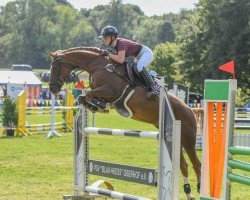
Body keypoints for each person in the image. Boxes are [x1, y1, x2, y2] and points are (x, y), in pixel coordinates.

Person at [98, 25, 157, 97]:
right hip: (138, 57)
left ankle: (153, 88)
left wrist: (108, 54)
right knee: (133, 69)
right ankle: (145, 81)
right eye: (104, 38)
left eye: (106, 38)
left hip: (146, 53)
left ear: (113, 37)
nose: (104, 40)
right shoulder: (114, 45)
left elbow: (120, 60)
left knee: (139, 67)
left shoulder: (121, 43)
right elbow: (116, 58)